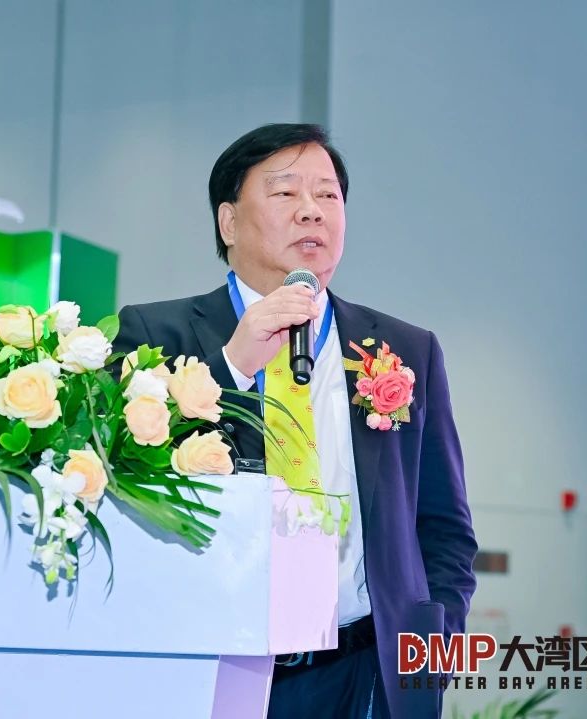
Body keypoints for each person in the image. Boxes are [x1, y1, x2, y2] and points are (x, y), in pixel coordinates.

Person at [113, 123, 477, 718]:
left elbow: (444, 526)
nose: (312, 211)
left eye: (328, 195)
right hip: (214, 666)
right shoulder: (156, 334)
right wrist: (232, 366)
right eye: (285, 193)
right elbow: (122, 475)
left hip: (369, 669)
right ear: (229, 222)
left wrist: (432, 650)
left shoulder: (405, 350)